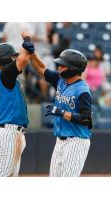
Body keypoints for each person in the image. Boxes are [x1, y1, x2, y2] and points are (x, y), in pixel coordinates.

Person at [23, 34, 92, 177]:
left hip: (76, 142)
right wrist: (32, 53)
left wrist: (61, 113)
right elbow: (42, 69)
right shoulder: (61, 79)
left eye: (62, 65)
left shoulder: (82, 90)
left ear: (73, 68)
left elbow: (86, 119)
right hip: (60, 141)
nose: (59, 67)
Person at [0, 34, 34, 177]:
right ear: (5, 58)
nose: (14, 58)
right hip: (7, 133)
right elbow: (24, 59)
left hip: (7, 132)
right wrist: (26, 41)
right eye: (12, 56)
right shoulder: (4, 74)